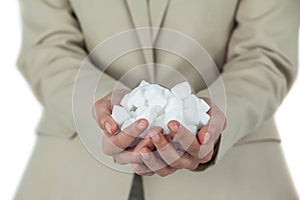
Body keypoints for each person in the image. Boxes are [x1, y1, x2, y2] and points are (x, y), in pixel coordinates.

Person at [15, 0, 299, 199]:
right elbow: (47, 45)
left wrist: (208, 121)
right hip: (73, 177)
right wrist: (106, 112)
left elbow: (266, 53)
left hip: (236, 176)